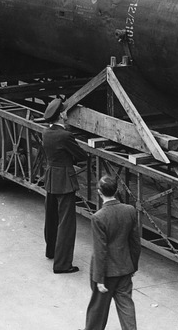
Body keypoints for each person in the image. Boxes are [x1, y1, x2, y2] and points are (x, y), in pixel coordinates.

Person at [83, 175, 141, 330]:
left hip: (106, 273)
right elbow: (135, 242)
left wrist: (99, 278)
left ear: (99, 193)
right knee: (126, 306)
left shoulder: (98, 217)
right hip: (125, 268)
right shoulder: (129, 210)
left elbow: (100, 250)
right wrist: (133, 266)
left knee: (98, 310)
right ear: (117, 190)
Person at [42, 98, 86, 274]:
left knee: (51, 217)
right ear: (61, 115)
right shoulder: (66, 135)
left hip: (51, 177)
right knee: (66, 224)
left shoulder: (46, 133)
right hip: (65, 182)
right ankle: (62, 264)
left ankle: (51, 250)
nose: (66, 113)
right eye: (64, 111)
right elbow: (81, 156)